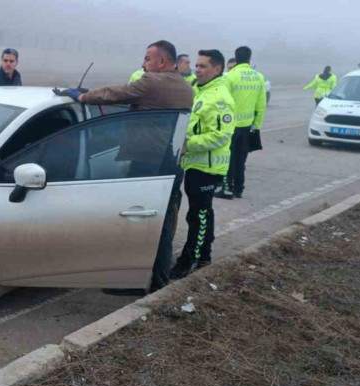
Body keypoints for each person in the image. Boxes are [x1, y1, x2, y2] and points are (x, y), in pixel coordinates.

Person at [54, 40, 193, 292]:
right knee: (160, 226)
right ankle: (158, 280)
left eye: (147, 58)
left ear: (162, 62)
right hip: (171, 164)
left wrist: (82, 95)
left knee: (142, 225)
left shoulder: (152, 82)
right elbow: (141, 103)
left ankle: (138, 282)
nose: (142, 63)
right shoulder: (184, 87)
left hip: (147, 165)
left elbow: (117, 93)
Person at [170, 49, 235, 279]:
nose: (197, 69)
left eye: (203, 66)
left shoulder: (220, 97)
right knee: (200, 212)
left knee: (199, 215)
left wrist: (188, 144)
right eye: (196, 65)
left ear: (217, 69)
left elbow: (221, 135)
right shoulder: (199, 90)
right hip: (194, 164)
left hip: (208, 167)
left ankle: (192, 259)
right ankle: (203, 254)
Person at [217, 46, 266, 200]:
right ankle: (239, 189)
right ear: (250, 58)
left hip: (230, 126)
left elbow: (222, 102)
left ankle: (227, 189)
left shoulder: (230, 77)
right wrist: (256, 126)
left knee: (227, 158)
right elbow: (261, 105)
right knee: (240, 159)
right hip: (247, 127)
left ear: (235, 58)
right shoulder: (259, 77)